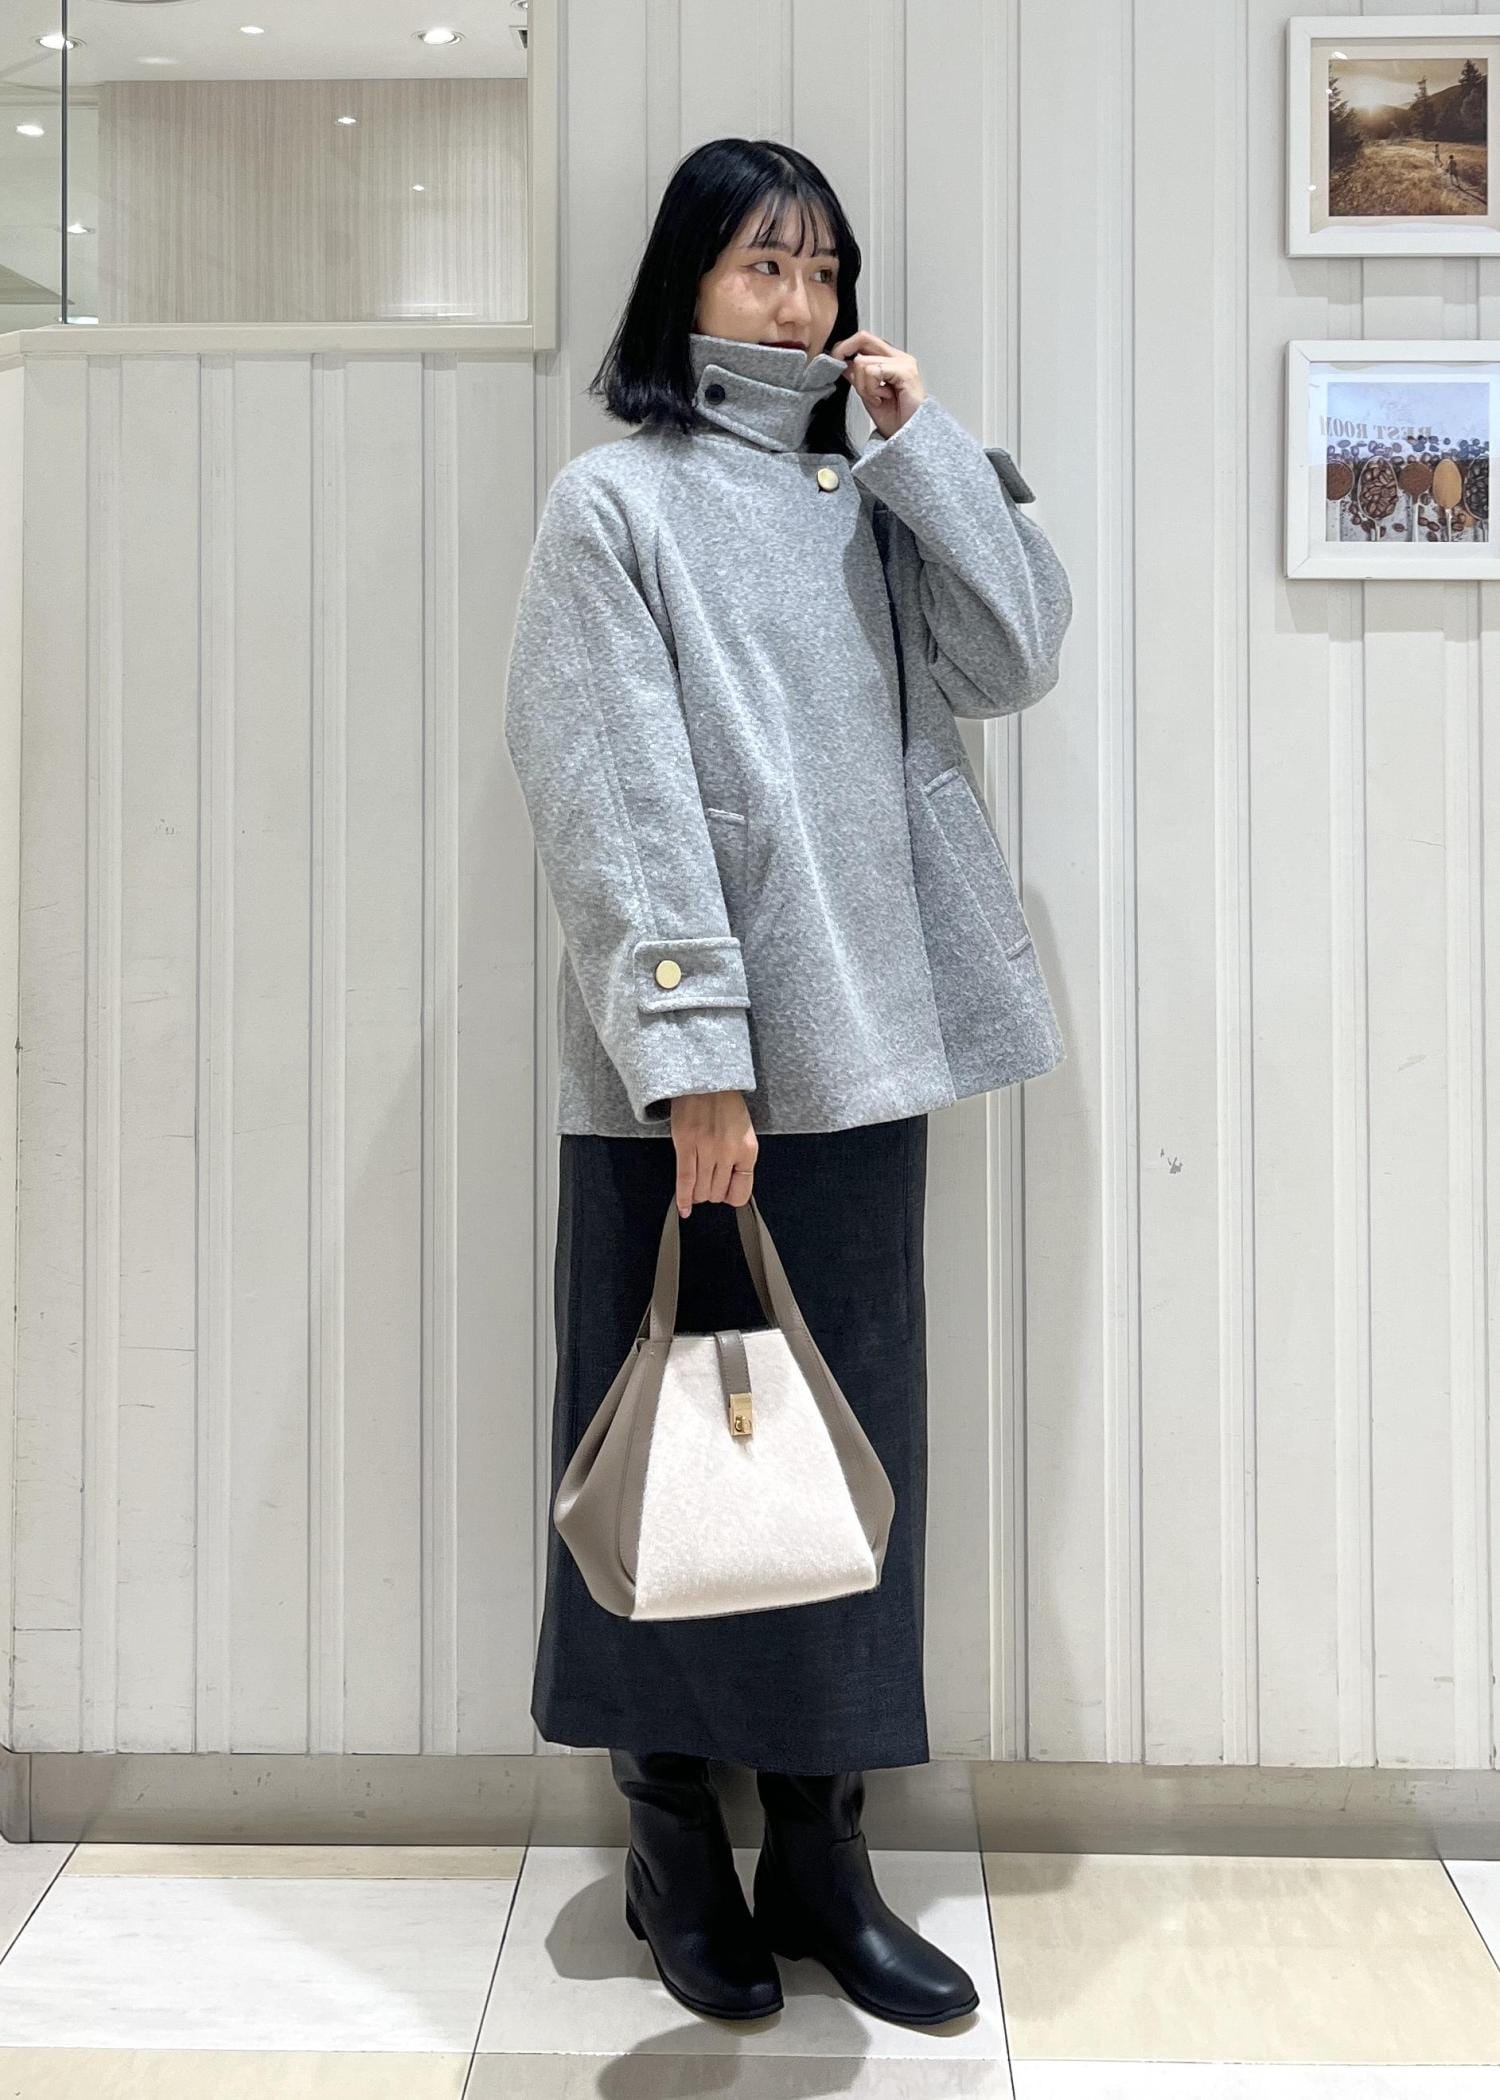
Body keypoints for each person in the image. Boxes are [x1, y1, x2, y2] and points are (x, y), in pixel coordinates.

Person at [502, 136, 1073, 2029]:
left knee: (847, 1461)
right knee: (671, 1451)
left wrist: (925, 448)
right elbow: (609, 795)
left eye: (824, 272)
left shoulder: (871, 483)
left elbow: (1016, 657)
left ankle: (824, 1856)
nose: (802, 304)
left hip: (869, 1048)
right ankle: (674, 1842)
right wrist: (691, 1057)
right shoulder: (616, 503)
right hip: (690, 1078)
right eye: (764, 268)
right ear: (685, 284)